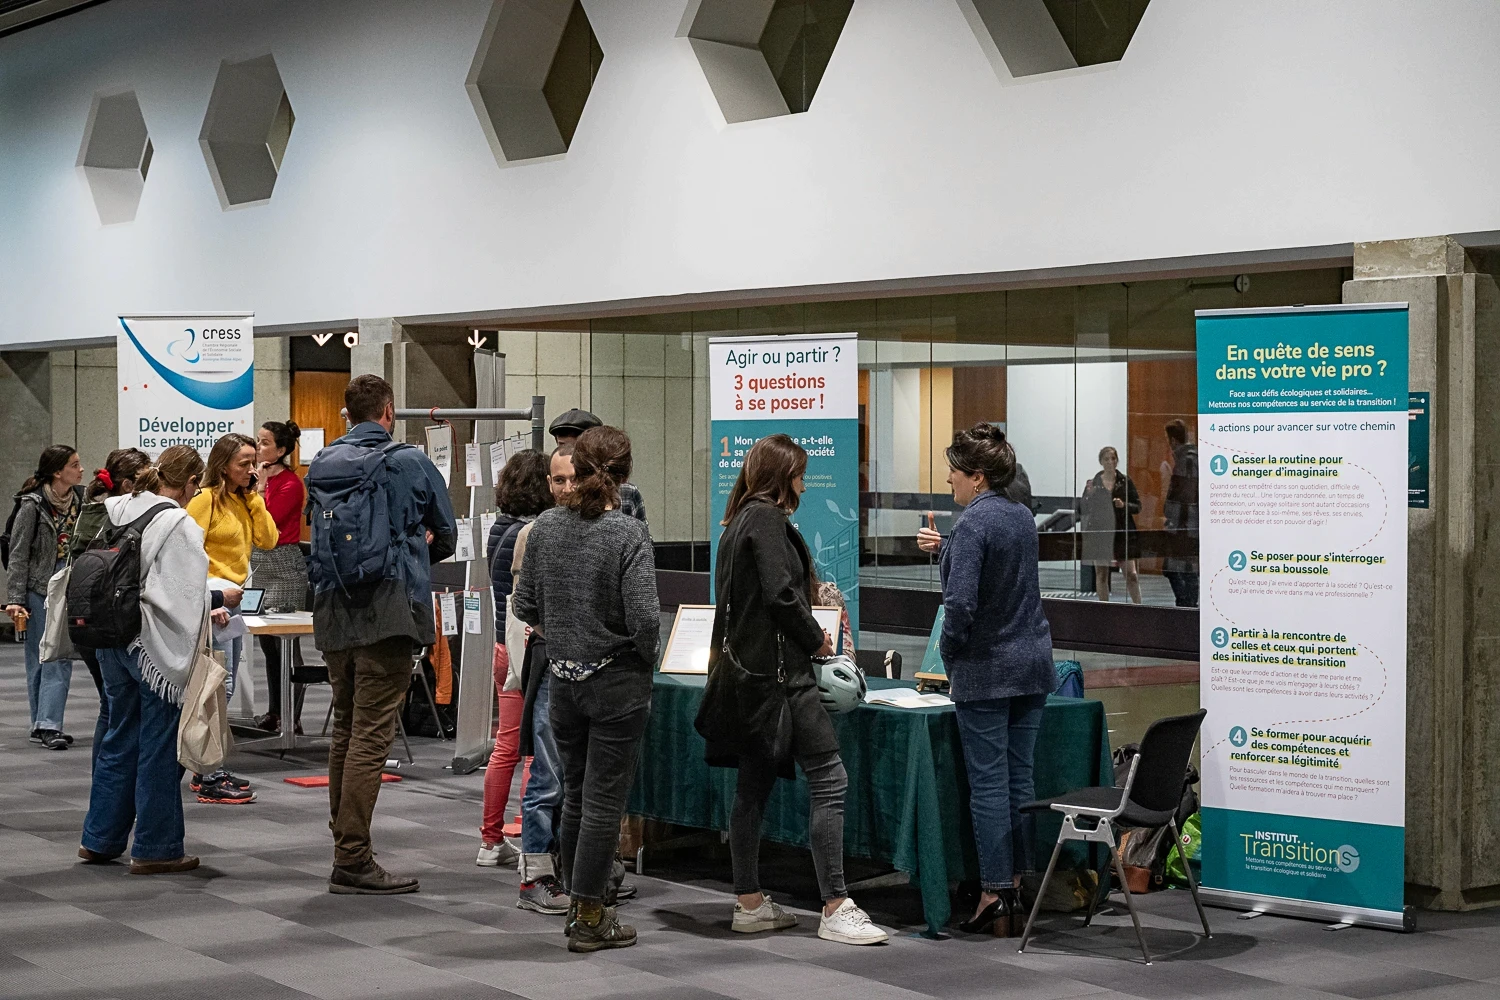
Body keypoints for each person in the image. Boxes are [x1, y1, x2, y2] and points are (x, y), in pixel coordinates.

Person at [706, 433, 888, 947]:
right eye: (800, 475)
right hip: (784, 680)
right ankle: (835, 905)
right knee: (830, 779)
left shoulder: (738, 521)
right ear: (783, 476)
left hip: (751, 681)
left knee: (752, 787)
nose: (805, 486)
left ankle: (749, 903)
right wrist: (818, 641)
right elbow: (782, 597)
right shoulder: (766, 519)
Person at [310, 374, 456, 895]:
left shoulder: (324, 462)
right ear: (389, 411)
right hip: (390, 607)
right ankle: (352, 857)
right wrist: (416, 551)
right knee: (372, 734)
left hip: (332, 606)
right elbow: (447, 533)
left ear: (348, 414)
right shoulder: (409, 460)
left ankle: (345, 848)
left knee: (346, 728)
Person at [514, 426, 658, 953]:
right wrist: (645, 655)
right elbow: (645, 618)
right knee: (602, 804)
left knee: (576, 797)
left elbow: (523, 604)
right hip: (618, 682)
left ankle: (580, 907)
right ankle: (590, 915)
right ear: (625, 474)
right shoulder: (628, 534)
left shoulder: (546, 527)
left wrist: (565, 636)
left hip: (563, 680)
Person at [917, 424, 1054, 937]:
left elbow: (961, 605)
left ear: (977, 477)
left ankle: (993, 892)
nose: (947, 478)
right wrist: (946, 551)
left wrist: (949, 652)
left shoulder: (973, 523)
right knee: (1020, 780)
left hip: (987, 670)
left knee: (990, 784)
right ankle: (1016, 884)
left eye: (953, 470)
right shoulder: (1020, 516)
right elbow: (1002, 580)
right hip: (1032, 664)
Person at [79, 445, 227, 874]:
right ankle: (156, 847)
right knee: (160, 748)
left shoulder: (116, 508)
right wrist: (220, 596)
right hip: (152, 650)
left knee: (119, 738)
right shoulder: (177, 522)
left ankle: (99, 839)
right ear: (192, 483)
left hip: (110, 636)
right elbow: (182, 596)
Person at [186, 433, 277, 802]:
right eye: (244, 463)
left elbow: (269, 539)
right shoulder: (204, 500)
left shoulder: (244, 501)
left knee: (224, 686)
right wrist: (208, 601)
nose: (251, 469)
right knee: (215, 688)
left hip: (233, 601)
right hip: (214, 602)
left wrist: (255, 497)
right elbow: (187, 554)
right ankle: (209, 773)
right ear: (223, 465)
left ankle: (207, 768)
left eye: (254, 462)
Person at [477, 449, 552, 869]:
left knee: (505, 745)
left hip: (503, 649)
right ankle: (529, 836)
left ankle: (490, 840)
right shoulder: (533, 534)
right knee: (533, 750)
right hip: (528, 649)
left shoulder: (497, 530)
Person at [511, 445, 574, 915]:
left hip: (593, 670)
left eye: (574, 478)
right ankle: (535, 877)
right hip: (551, 665)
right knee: (547, 779)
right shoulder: (536, 533)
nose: (567, 488)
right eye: (558, 480)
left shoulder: (611, 529)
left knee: (579, 782)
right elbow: (522, 603)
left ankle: (579, 872)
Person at [70, 448, 152, 766]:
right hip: (109, 619)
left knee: (110, 706)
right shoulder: (119, 517)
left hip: (87, 618)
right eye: (147, 478)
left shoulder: (92, 510)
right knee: (118, 711)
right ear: (129, 484)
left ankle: (105, 783)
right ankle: (112, 782)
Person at [5, 445, 84, 751]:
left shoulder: (81, 500)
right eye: (74, 465)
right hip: (39, 589)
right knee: (39, 659)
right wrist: (15, 598)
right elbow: (18, 554)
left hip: (68, 588)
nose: (80, 470)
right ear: (57, 472)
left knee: (58, 656)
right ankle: (44, 723)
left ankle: (47, 724)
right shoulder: (32, 505)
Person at [251, 420, 309, 734]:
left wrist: (260, 488)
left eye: (265, 442)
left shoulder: (290, 483)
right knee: (267, 646)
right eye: (258, 440)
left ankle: (292, 716)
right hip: (260, 565)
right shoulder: (255, 477)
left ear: (281, 450)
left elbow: (267, 522)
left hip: (284, 567)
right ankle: (275, 711)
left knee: (286, 645)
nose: (258, 447)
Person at [548, 409, 648, 524]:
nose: (568, 489)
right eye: (563, 446)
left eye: (578, 449)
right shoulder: (550, 491)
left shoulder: (626, 492)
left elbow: (641, 532)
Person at [1082, 446, 1142, 604]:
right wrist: (1089, 495)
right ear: (1101, 462)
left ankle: (1138, 607)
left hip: (1122, 533)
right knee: (1101, 574)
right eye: (1106, 459)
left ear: (1117, 461)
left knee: (1131, 574)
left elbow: (1138, 506)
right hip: (1101, 533)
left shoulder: (1125, 481)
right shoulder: (1095, 483)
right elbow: (1083, 508)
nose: (1110, 462)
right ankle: (1104, 609)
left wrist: (1124, 505)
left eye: (1113, 458)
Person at [1162, 419, 1200, 608]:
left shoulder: (1187, 460)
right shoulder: (1189, 458)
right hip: (1186, 525)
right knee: (1181, 569)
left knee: (1181, 569)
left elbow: (1184, 497)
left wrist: (1170, 516)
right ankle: (1187, 605)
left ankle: (1187, 605)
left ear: (1173, 440)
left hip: (1184, 526)